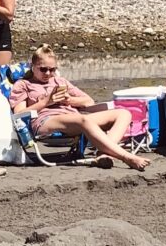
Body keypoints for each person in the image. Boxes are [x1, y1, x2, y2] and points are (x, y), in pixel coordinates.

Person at [8, 44, 148, 171]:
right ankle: (126, 157)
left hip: (73, 117)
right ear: (33, 67)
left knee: (123, 113)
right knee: (83, 120)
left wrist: (69, 100)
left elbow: (88, 101)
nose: (48, 74)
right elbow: (19, 113)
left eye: (52, 70)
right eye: (43, 69)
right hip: (45, 120)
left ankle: (104, 153)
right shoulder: (23, 84)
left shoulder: (60, 81)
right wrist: (45, 102)